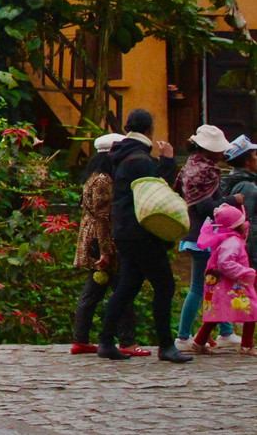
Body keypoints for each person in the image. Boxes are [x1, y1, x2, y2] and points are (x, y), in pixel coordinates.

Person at [99, 108, 191, 362]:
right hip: (142, 231)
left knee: (128, 286)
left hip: (124, 230)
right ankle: (166, 345)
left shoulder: (122, 155)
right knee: (165, 285)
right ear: (149, 129)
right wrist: (169, 161)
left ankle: (106, 341)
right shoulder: (141, 159)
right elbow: (157, 196)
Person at [71, 133, 142, 355]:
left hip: (95, 240)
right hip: (103, 242)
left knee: (94, 291)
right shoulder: (104, 180)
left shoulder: (93, 177)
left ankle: (81, 338)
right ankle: (127, 341)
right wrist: (106, 251)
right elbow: (103, 217)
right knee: (123, 290)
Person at [175, 125, 236, 351]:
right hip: (205, 237)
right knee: (199, 288)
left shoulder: (189, 166)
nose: (223, 154)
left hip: (193, 233)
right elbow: (205, 206)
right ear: (210, 151)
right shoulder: (207, 171)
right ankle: (183, 337)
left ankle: (226, 331)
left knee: (215, 284)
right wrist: (231, 201)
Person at [186, 202, 257, 354]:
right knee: (251, 310)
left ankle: (199, 342)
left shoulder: (225, 239)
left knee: (217, 313)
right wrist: (245, 271)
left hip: (220, 284)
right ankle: (247, 345)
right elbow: (225, 263)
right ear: (237, 226)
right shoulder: (233, 242)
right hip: (234, 284)